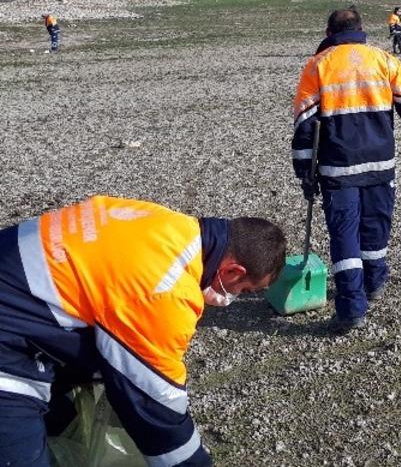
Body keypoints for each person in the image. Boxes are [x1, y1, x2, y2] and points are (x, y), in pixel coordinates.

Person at [0, 195, 285, 466]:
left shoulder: (171, 225)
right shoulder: (167, 291)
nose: (234, 298)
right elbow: (155, 404)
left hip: (17, 278)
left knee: (63, 419)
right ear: (233, 271)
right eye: (244, 290)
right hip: (10, 337)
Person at [292, 8, 401, 331]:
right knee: (376, 226)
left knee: (345, 234)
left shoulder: (318, 66)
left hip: (338, 169)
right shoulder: (383, 60)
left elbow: (304, 125)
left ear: (329, 31)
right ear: (361, 29)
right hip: (381, 164)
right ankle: (375, 282)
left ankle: (352, 307)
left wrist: (304, 172)